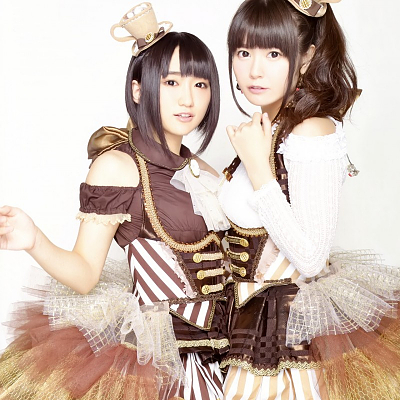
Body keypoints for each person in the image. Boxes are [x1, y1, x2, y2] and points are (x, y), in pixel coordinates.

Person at [0, 3, 230, 399]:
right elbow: (85, 273)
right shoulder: (118, 167)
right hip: (162, 357)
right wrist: (34, 239)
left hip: (224, 347)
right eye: (171, 82)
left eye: (200, 84)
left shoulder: (204, 172)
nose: (188, 99)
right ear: (139, 89)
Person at [218, 0, 400, 399]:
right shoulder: (266, 128)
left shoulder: (311, 132)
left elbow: (312, 258)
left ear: (306, 57)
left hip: (287, 333)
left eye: (274, 53)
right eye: (244, 52)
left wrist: (259, 170)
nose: (255, 70)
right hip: (243, 321)